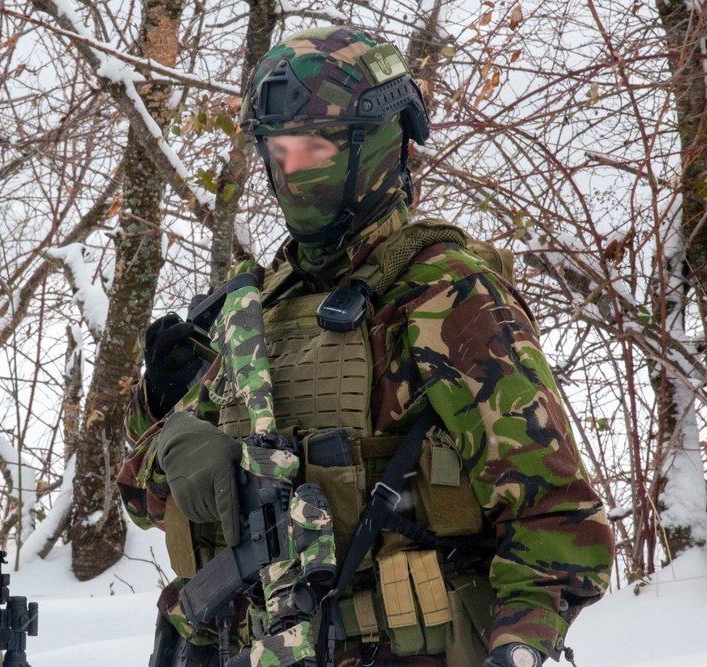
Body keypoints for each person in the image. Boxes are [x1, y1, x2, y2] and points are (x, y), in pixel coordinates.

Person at [117, 26, 615, 667]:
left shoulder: (446, 296)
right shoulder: (250, 311)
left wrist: (518, 647)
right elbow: (140, 503)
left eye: (314, 147)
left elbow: (558, 516)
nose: (292, 171)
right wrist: (165, 419)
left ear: (379, 146)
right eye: (279, 150)